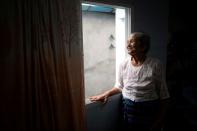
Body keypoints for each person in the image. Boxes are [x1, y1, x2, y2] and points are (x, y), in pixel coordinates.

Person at [89, 32, 170, 131]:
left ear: (143, 47)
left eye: (131, 42)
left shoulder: (155, 64)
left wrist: (159, 121)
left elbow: (164, 95)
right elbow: (119, 86)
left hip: (148, 109)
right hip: (128, 108)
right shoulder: (124, 64)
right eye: (127, 42)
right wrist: (106, 94)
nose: (127, 45)